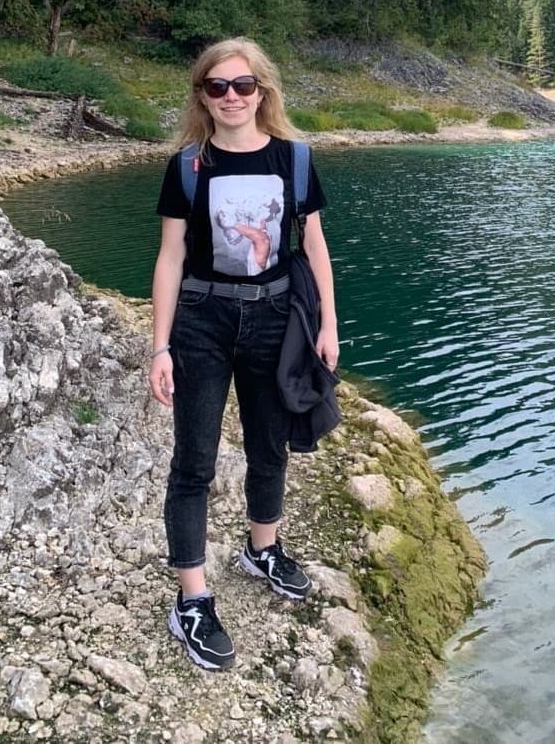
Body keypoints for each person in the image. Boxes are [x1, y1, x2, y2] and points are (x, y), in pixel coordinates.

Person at [148, 37, 339, 671]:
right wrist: (160, 346)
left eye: (244, 86)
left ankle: (262, 548)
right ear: (202, 95)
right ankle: (193, 599)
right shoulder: (187, 166)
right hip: (201, 321)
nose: (232, 97)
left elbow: (313, 248)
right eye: (217, 86)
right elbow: (172, 257)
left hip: (275, 317)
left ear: (264, 91)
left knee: (268, 444)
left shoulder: (295, 159)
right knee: (194, 461)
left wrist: (328, 325)